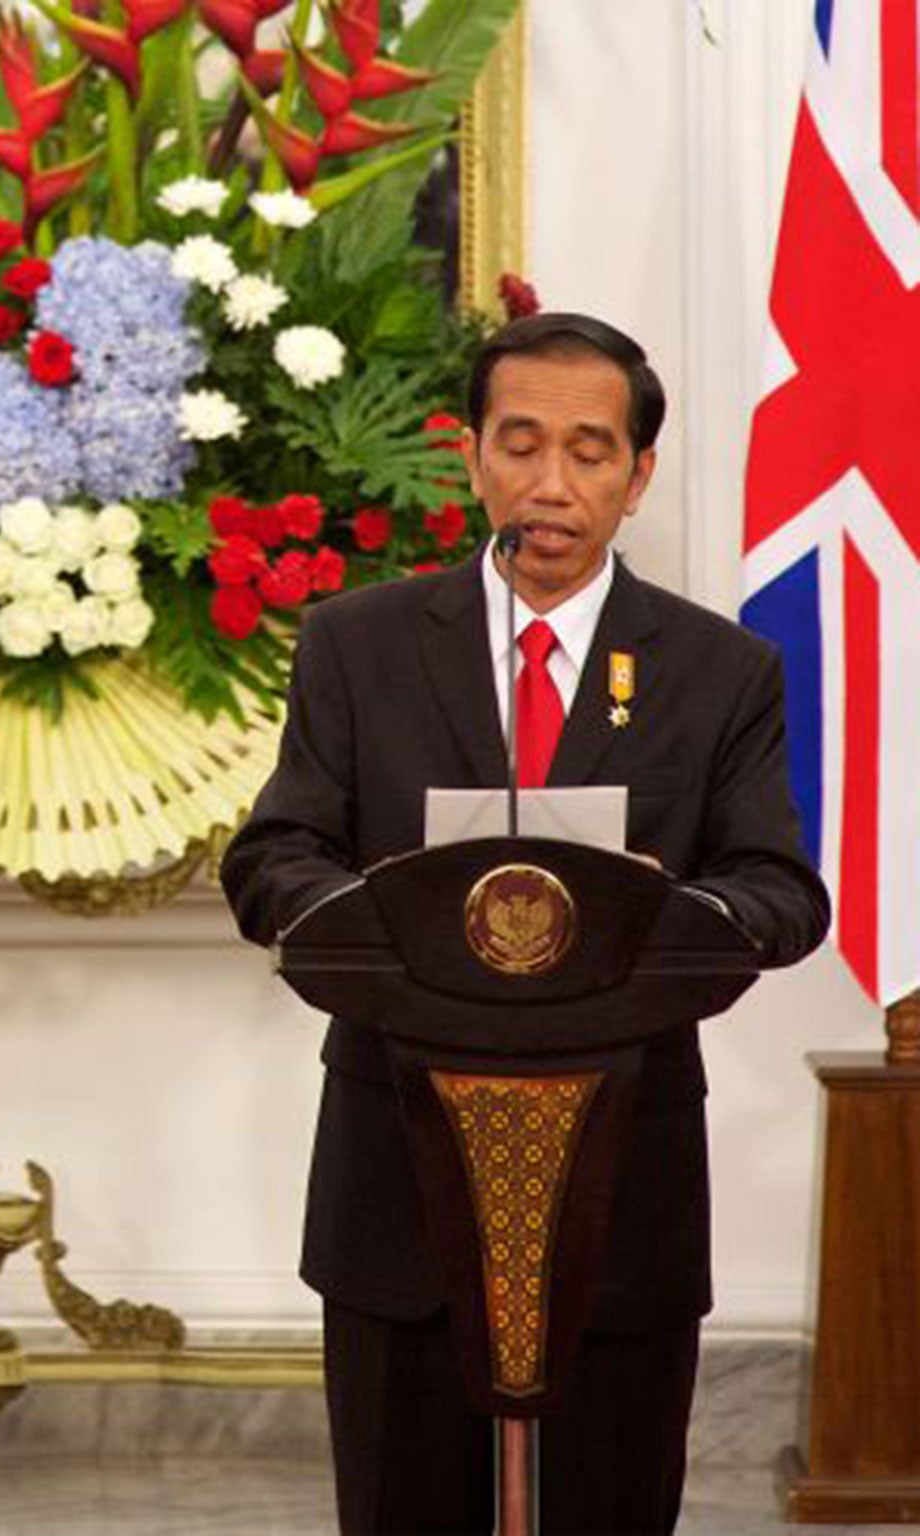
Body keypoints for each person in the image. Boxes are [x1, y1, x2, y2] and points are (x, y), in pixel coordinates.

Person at [221, 312, 829, 1534]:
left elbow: (778, 891)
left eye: (589, 451)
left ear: (636, 475)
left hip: (626, 1160)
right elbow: (272, 857)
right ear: (469, 457)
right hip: (396, 1156)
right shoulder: (360, 644)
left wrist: (661, 912)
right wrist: (378, 909)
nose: (551, 485)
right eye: (521, 444)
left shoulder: (718, 671)